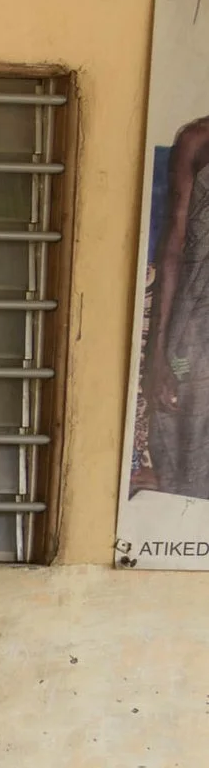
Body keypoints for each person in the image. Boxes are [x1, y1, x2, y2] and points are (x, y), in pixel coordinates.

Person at [143, 114, 209, 499]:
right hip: (196, 329)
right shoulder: (197, 139)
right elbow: (173, 248)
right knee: (184, 446)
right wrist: (158, 355)